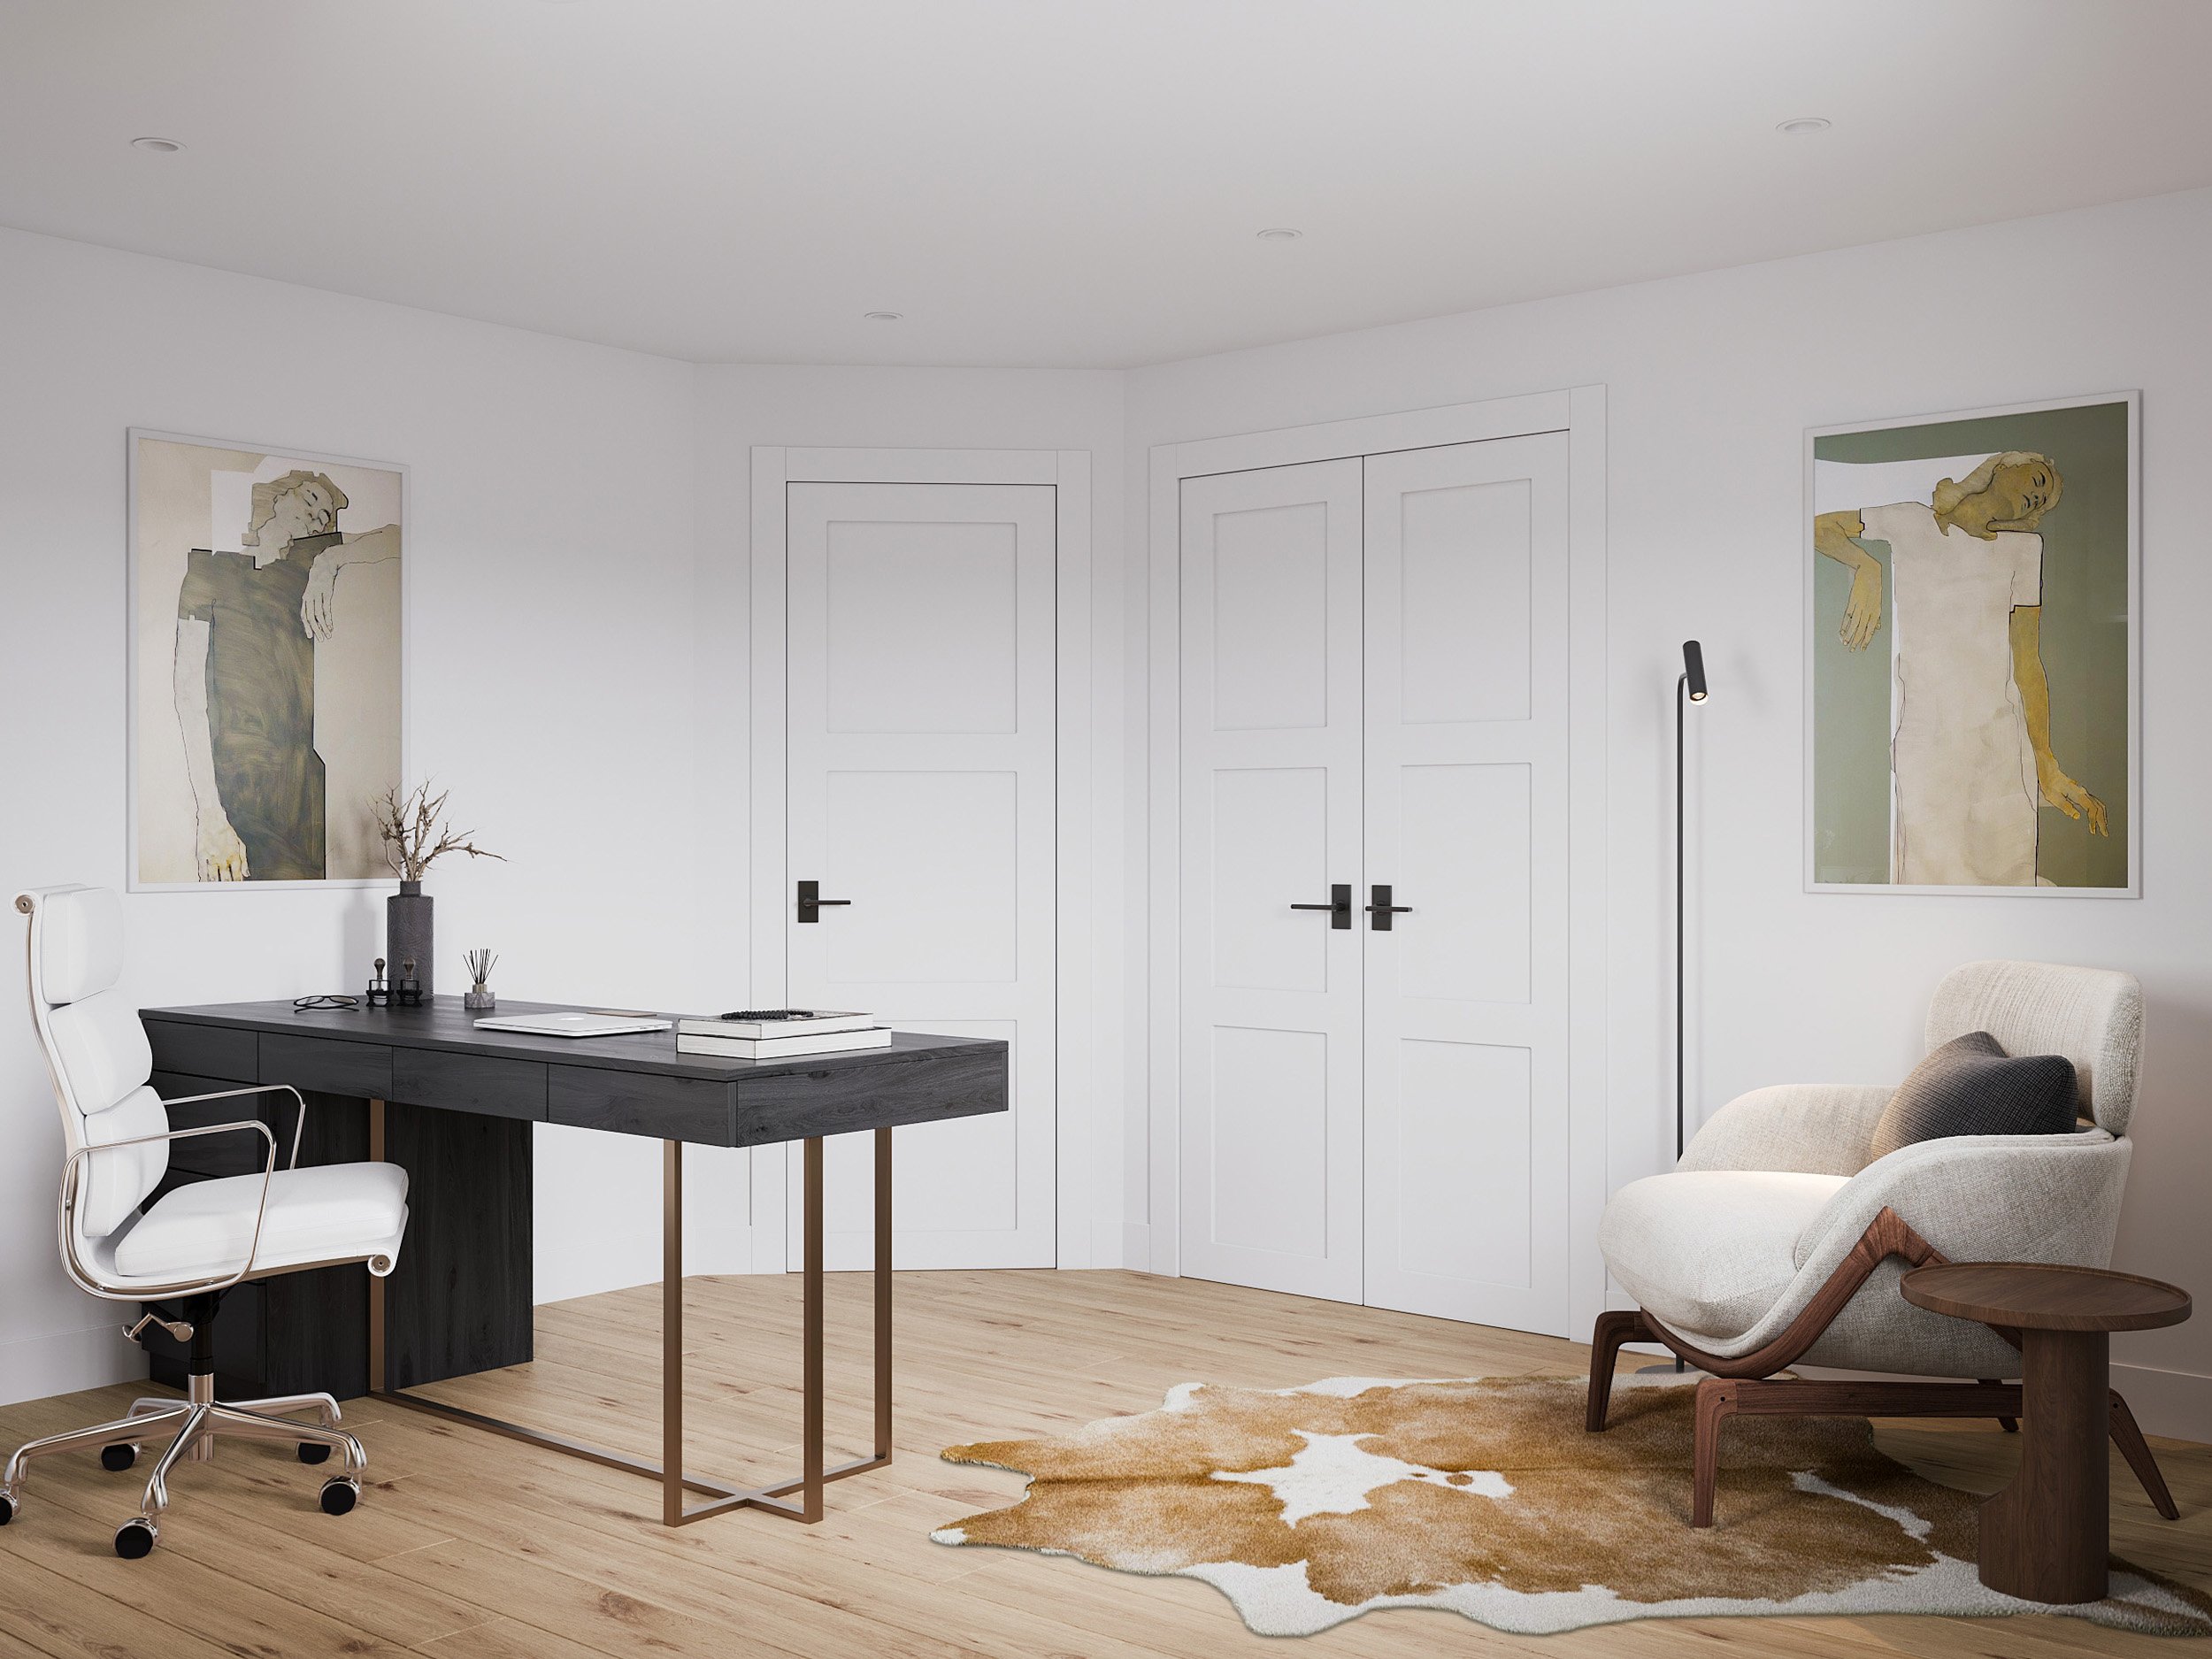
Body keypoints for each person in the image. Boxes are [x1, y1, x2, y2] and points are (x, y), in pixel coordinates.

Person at [1815, 451, 2105, 887]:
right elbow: (1820, 526)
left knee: (2009, 879)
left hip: (2001, 742)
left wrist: (2044, 758)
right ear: (2004, 466)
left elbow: (2028, 663)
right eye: (2039, 479)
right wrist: (1866, 566)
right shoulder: (1910, 522)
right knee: (1929, 880)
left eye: (2045, 500)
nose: (2039, 496)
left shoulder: (2026, 549)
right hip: (1928, 740)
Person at [172, 470, 397, 880]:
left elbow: (401, 536)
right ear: (277, 498)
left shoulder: (308, 564)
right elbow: (188, 696)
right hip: (235, 781)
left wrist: (331, 560)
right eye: (310, 499)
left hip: (304, 785)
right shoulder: (209, 571)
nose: (317, 516)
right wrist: (210, 812)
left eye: (325, 515)